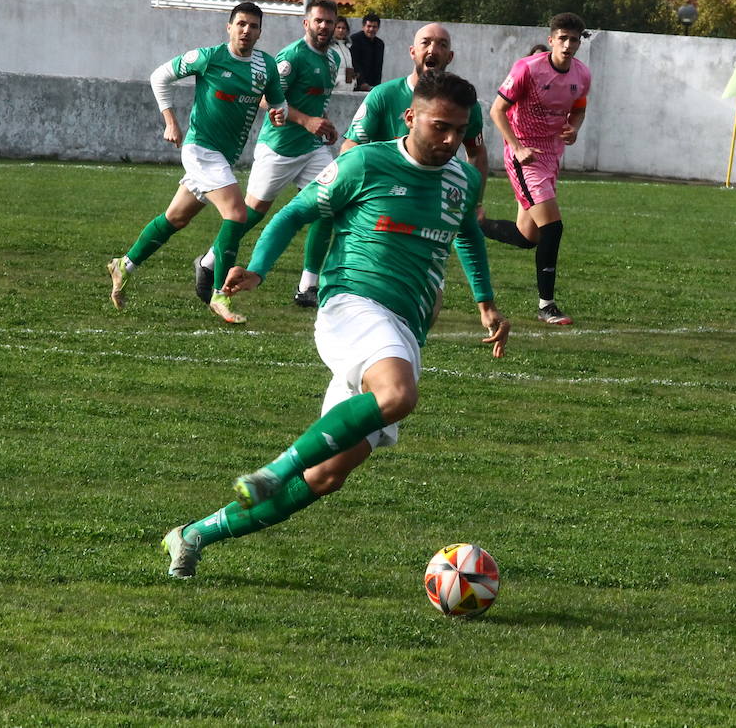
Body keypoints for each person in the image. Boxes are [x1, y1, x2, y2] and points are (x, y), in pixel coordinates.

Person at [161, 72, 510, 579]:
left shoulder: (461, 179)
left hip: (405, 330)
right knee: (398, 395)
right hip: (353, 305)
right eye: (441, 127)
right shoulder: (365, 163)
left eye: (460, 130)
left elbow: (468, 237)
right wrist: (258, 268)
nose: (451, 141)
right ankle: (273, 471)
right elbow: (292, 215)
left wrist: (486, 303)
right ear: (411, 117)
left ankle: (193, 535)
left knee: (325, 476)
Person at [106, 2, 286, 324]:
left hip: (223, 158)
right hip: (201, 149)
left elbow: (278, 104)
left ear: (260, 32)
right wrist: (170, 121)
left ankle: (124, 265)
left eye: (253, 26)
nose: (247, 31)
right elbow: (159, 76)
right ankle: (219, 294)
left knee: (176, 218)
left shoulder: (266, 66)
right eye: (241, 24)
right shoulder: (209, 57)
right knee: (237, 213)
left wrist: (278, 114)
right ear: (228, 27)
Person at [194, 0, 341, 310]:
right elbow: (265, 98)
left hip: (312, 150)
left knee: (329, 206)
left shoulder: (333, 62)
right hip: (279, 149)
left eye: (330, 21)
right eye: (319, 21)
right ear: (307, 24)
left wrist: (324, 127)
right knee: (250, 215)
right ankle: (208, 261)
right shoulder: (291, 58)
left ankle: (308, 286)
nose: (324, 26)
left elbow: (316, 104)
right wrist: (306, 121)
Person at [480, 12, 592, 326]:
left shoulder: (581, 74)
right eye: (564, 38)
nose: (569, 45)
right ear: (551, 39)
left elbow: (580, 106)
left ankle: (473, 224)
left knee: (527, 235)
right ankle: (547, 305)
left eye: (575, 39)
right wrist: (516, 147)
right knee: (552, 227)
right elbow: (496, 110)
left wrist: (574, 126)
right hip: (525, 156)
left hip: (552, 156)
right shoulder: (527, 68)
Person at [340, 22, 488, 198]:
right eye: (425, 43)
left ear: (450, 57)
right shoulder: (383, 95)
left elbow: (477, 152)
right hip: (384, 194)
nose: (433, 50)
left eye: (442, 44)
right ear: (412, 52)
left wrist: (475, 202)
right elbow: (351, 145)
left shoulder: (464, 102)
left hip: (434, 195)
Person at [350, 13, 385, 91]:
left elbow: (379, 67)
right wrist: (361, 82)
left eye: (374, 27)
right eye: (369, 26)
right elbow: (354, 63)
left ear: (378, 28)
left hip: (373, 86)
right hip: (356, 85)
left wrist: (377, 86)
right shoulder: (355, 40)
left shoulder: (380, 44)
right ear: (363, 27)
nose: (371, 29)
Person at [331, 17, 356, 91]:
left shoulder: (347, 47)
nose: (341, 30)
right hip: (334, 88)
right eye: (338, 27)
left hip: (348, 87)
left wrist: (354, 81)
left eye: (343, 28)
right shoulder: (328, 47)